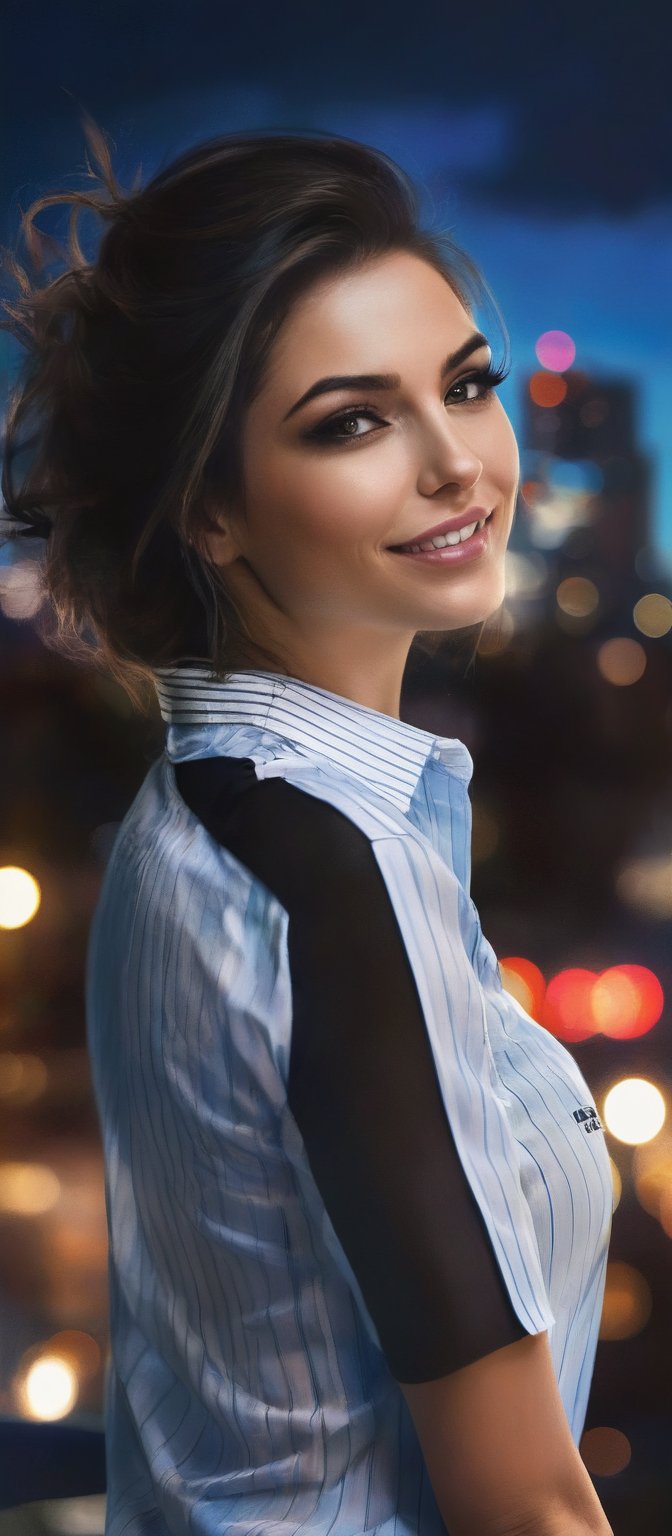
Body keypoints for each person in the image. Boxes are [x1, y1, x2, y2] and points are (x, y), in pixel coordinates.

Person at [0, 116, 615, 1536]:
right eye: (352, 421)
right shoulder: (329, 871)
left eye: (466, 387)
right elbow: (522, 1501)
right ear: (210, 512)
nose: (458, 462)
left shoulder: (197, 811)